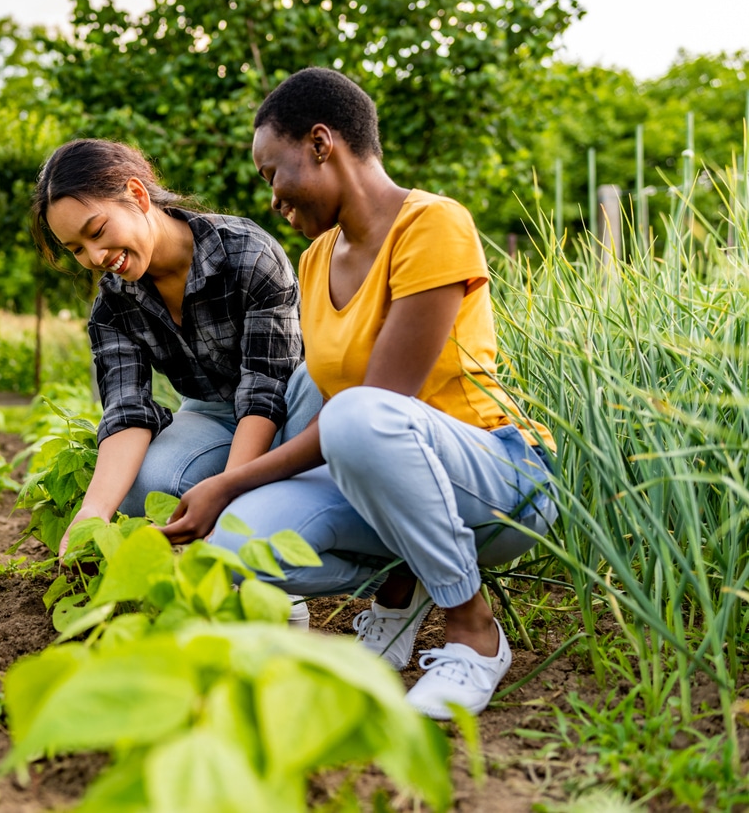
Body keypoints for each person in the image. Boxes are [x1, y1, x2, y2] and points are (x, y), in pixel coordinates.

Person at [162, 68, 557, 719]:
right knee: (234, 541)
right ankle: (402, 593)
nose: (271, 198)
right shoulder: (316, 261)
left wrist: (228, 480)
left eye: (272, 174)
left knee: (358, 418)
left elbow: (380, 404)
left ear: (321, 144)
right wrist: (236, 500)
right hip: (387, 488)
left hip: (500, 480)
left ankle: (473, 630)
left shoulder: (432, 224)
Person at [31, 139, 322, 559]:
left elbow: (264, 391)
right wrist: (92, 512)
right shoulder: (112, 308)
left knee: (310, 403)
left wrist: (226, 497)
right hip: (213, 408)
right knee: (143, 487)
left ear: (137, 194)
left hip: (294, 399)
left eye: (96, 231)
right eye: (76, 249)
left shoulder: (246, 254)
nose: (94, 256)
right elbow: (126, 410)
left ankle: (277, 565)